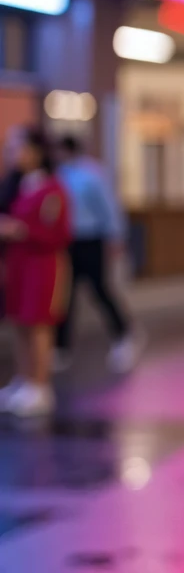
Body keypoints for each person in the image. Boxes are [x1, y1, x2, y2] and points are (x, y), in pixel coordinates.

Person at [0, 128, 72, 417]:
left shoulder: (52, 189)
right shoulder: (18, 185)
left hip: (42, 264)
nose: (12, 154)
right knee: (19, 321)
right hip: (18, 262)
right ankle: (23, 379)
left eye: (18, 148)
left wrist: (20, 230)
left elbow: (57, 233)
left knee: (38, 322)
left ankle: (41, 387)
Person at [54, 135, 140, 372]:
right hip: (65, 242)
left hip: (90, 239)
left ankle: (123, 333)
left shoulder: (91, 174)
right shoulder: (56, 174)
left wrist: (115, 236)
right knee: (64, 295)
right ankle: (60, 347)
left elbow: (108, 206)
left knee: (99, 289)